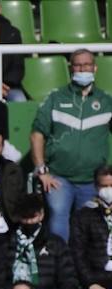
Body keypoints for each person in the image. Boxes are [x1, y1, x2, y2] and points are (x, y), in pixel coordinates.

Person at [33, 49, 111, 242]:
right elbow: (37, 135)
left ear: (95, 68)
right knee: (58, 219)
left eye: (86, 65)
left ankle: (86, 270)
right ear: (70, 68)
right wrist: (42, 171)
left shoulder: (106, 101)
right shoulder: (55, 98)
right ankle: (60, 265)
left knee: (89, 228)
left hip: (93, 181)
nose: (82, 69)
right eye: (78, 65)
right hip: (59, 178)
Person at [0, 194, 79, 289]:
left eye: (33, 217)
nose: (30, 221)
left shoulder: (55, 244)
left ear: (42, 214)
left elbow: (68, 283)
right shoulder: (7, 244)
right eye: (25, 217)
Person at [69, 166, 112, 289]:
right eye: (104, 186)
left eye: (111, 186)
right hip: (94, 284)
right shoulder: (84, 215)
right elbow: (77, 253)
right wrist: (91, 283)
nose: (108, 190)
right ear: (96, 187)